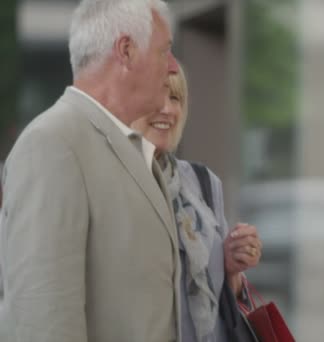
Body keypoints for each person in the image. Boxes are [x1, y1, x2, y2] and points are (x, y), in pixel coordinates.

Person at [0, 0, 180, 341]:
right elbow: (42, 319)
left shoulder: (128, 145)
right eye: (165, 51)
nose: (172, 67)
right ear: (126, 50)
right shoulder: (52, 143)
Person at [131, 63, 263, 341]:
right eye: (157, 97)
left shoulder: (202, 182)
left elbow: (226, 298)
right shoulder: (112, 182)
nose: (167, 109)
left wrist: (232, 265)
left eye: (176, 98)